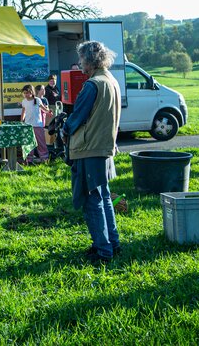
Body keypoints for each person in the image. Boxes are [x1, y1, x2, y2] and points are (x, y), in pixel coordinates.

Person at [63, 41, 122, 265]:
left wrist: (63, 127)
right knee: (104, 196)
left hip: (89, 148)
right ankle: (112, 243)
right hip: (105, 146)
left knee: (92, 199)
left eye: (81, 60)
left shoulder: (92, 84)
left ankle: (102, 249)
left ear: (89, 60)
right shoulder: (111, 80)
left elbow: (76, 119)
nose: (79, 64)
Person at [20, 84, 49, 163]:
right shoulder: (24, 101)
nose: (26, 95)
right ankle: (29, 160)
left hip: (37, 125)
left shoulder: (37, 100)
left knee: (41, 142)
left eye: (27, 93)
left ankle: (45, 158)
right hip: (28, 126)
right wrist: (21, 121)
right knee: (29, 143)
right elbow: (23, 112)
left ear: (32, 92)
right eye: (24, 93)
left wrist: (48, 111)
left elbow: (44, 109)